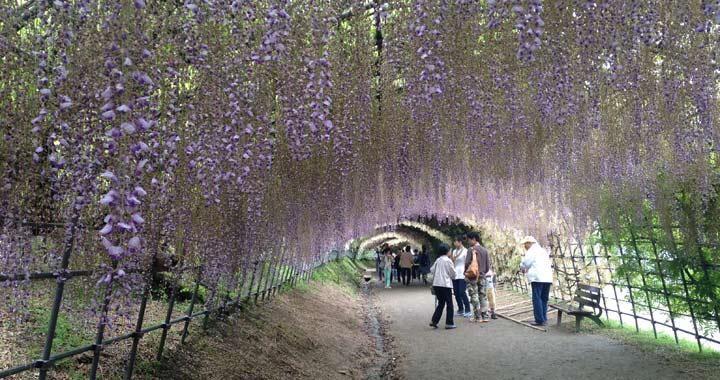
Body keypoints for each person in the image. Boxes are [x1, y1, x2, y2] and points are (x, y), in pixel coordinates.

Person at [519, 236, 553, 326]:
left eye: (525, 244)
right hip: (547, 278)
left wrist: (522, 267)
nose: (524, 246)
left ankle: (539, 320)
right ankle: (544, 318)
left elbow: (526, 263)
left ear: (529, 243)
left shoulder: (532, 251)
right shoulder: (543, 250)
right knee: (544, 299)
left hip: (537, 278)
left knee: (537, 298)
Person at [465, 231, 491, 323]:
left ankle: (477, 316)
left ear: (474, 239)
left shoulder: (471, 250)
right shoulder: (485, 250)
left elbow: (467, 263)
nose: (468, 241)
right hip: (483, 276)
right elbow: (488, 267)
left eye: (468, 239)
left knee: (474, 295)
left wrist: (466, 274)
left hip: (473, 277)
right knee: (483, 296)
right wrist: (482, 272)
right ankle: (485, 316)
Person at [430, 243, 457, 329]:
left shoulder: (438, 260)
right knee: (449, 304)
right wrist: (453, 276)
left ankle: (434, 321)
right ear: (447, 251)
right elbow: (453, 273)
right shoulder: (448, 261)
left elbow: (432, 269)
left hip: (437, 284)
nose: (450, 252)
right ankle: (449, 323)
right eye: (450, 250)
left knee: (441, 303)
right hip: (445, 284)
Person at [451, 236, 471, 318]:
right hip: (455, 274)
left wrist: (467, 274)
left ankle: (468, 309)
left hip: (462, 273)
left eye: (456, 241)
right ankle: (460, 309)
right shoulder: (454, 251)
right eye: (454, 242)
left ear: (460, 242)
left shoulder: (466, 251)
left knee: (462, 292)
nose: (454, 243)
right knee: (456, 293)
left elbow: (468, 263)